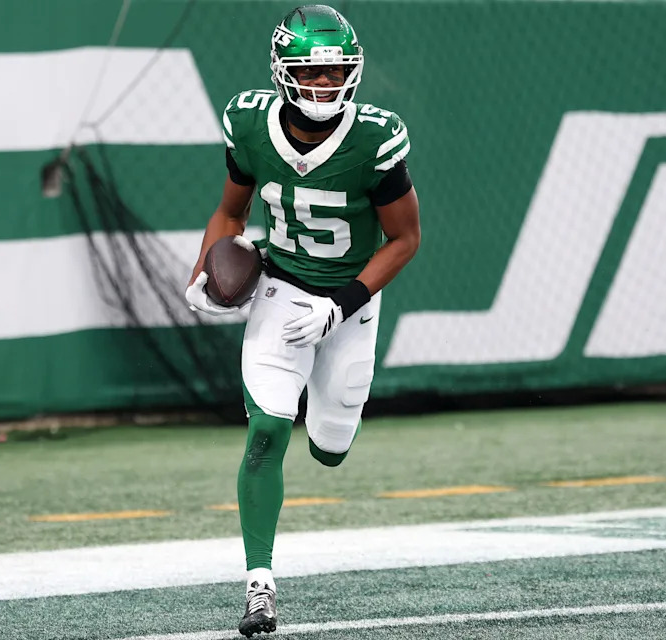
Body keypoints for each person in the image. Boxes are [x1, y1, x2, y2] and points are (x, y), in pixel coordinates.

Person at [185, 5, 420, 636]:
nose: (323, 83)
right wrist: (204, 270)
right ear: (282, 72)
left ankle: (326, 412)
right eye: (311, 72)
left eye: (335, 71)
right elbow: (230, 214)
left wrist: (341, 303)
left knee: (330, 449)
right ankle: (259, 585)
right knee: (267, 428)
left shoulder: (373, 137)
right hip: (282, 286)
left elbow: (405, 239)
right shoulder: (249, 123)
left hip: (350, 299)